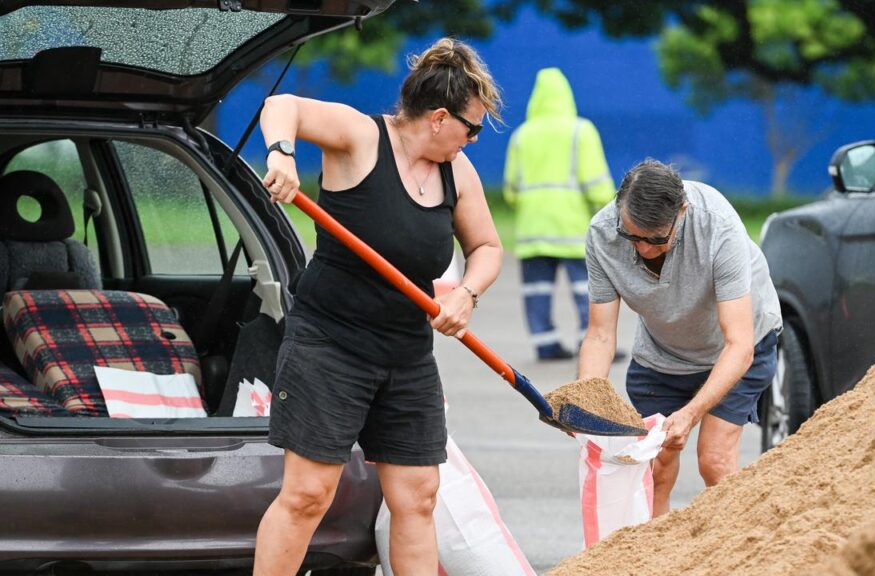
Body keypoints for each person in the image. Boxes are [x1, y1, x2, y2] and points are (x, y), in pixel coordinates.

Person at [253, 38, 504, 576]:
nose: (474, 140)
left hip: (407, 355)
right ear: (440, 118)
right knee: (307, 495)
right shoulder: (362, 136)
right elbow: (283, 108)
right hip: (330, 346)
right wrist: (282, 154)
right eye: (472, 128)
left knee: (417, 496)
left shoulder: (457, 174)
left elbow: (487, 247)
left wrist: (467, 293)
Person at [576, 159, 782, 517]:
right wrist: (584, 402)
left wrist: (690, 414)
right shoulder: (603, 234)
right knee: (652, 466)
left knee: (714, 460)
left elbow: (739, 344)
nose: (642, 249)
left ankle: (736, 554)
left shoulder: (718, 226)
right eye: (632, 236)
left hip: (734, 348)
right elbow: (600, 335)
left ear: (682, 213)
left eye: (655, 239)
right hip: (663, 351)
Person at [503, 67, 616, 361]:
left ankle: (545, 342)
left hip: (532, 230)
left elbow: (511, 190)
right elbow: (597, 185)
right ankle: (589, 340)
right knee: (585, 287)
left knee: (536, 289)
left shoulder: (521, 136)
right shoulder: (581, 131)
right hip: (572, 228)